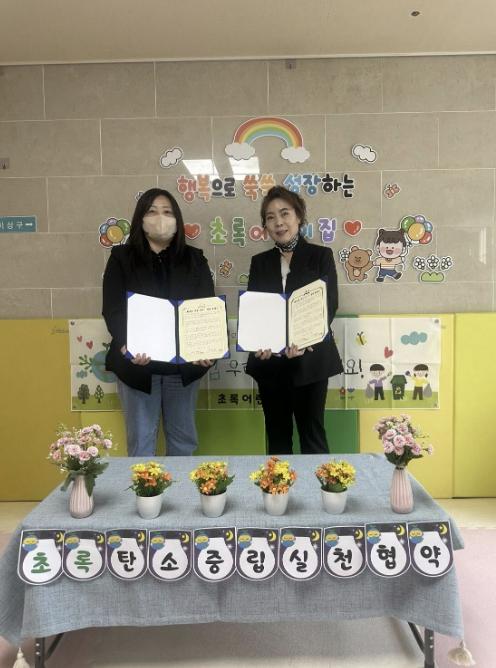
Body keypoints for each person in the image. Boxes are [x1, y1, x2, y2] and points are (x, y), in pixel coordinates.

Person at [102, 188, 214, 457]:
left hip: (183, 367)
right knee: (141, 443)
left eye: (167, 212)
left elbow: (206, 309)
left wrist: (207, 349)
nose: (160, 218)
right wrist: (127, 344)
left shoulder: (195, 259)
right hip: (137, 366)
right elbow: (113, 309)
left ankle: (181, 487)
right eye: (152, 212)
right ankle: (144, 488)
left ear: (177, 219)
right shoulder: (121, 258)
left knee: (183, 441)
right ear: (140, 218)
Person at [245, 185, 343, 455]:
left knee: (313, 435)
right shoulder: (260, 262)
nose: (278, 222)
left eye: (284, 213)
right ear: (265, 226)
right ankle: (278, 485)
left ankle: (319, 484)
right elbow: (256, 310)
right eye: (270, 217)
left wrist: (304, 338)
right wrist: (260, 343)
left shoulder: (320, 256)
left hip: (311, 360)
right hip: (270, 364)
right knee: (277, 438)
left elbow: (329, 303)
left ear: (298, 217)